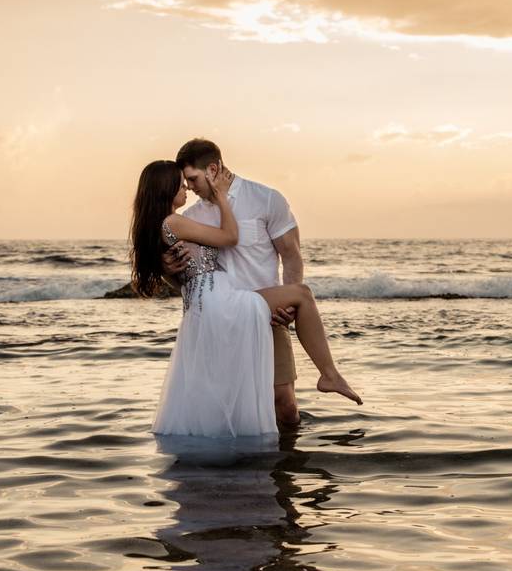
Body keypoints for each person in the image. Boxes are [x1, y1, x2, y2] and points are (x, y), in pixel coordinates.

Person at [130, 160, 360, 439]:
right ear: (166, 189)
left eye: (188, 181)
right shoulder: (175, 221)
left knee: (265, 397)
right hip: (219, 302)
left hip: (210, 304)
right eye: (181, 184)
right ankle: (329, 374)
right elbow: (230, 236)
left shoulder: (164, 225)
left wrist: (168, 268)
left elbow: (180, 274)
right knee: (303, 294)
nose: (186, 189)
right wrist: (222, 198)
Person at [164, 139, 303, 428]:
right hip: (219, 323)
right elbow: (191, 277)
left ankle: (285, 469)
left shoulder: (266, 199)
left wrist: (288, 306)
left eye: (193, 179)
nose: (188, 188)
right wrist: (167, 270)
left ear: (213, 169)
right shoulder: (190, 217)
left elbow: (291, 256)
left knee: (284, 404)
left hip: (268, 316)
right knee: (227, 407)